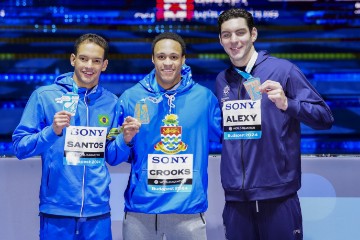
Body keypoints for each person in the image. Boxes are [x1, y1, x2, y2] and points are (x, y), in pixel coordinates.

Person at [215, 8, 334, 240]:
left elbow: (325, 117)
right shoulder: (222, 80)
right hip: (236, 201)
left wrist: (287, 103)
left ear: (253, 34)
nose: (234, 40)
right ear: (220, 40)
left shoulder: (283, 70)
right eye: (227, 35)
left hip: (278, 196)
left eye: (240, 33)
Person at [106, 32, 222, 240]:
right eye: (161, 57)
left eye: (174, 57)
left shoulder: (204, 98)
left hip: (189, 214)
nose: (167, 63)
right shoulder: (131, 98)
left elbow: (231, 137)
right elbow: (113, 156)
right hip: (140, 214)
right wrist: (125, 139)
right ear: (152, 59)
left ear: (183, 59)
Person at [12, 33, 118, 239]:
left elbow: (112, 155)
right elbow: (19, 147)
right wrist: (51, 131)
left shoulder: (112, 102)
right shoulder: (44, 96)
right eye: (84, 59)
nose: (89, 66)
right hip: (56, 210)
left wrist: (126, 140)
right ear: (73, 59)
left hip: (98, 211)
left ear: (104, 65)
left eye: (96, 61)